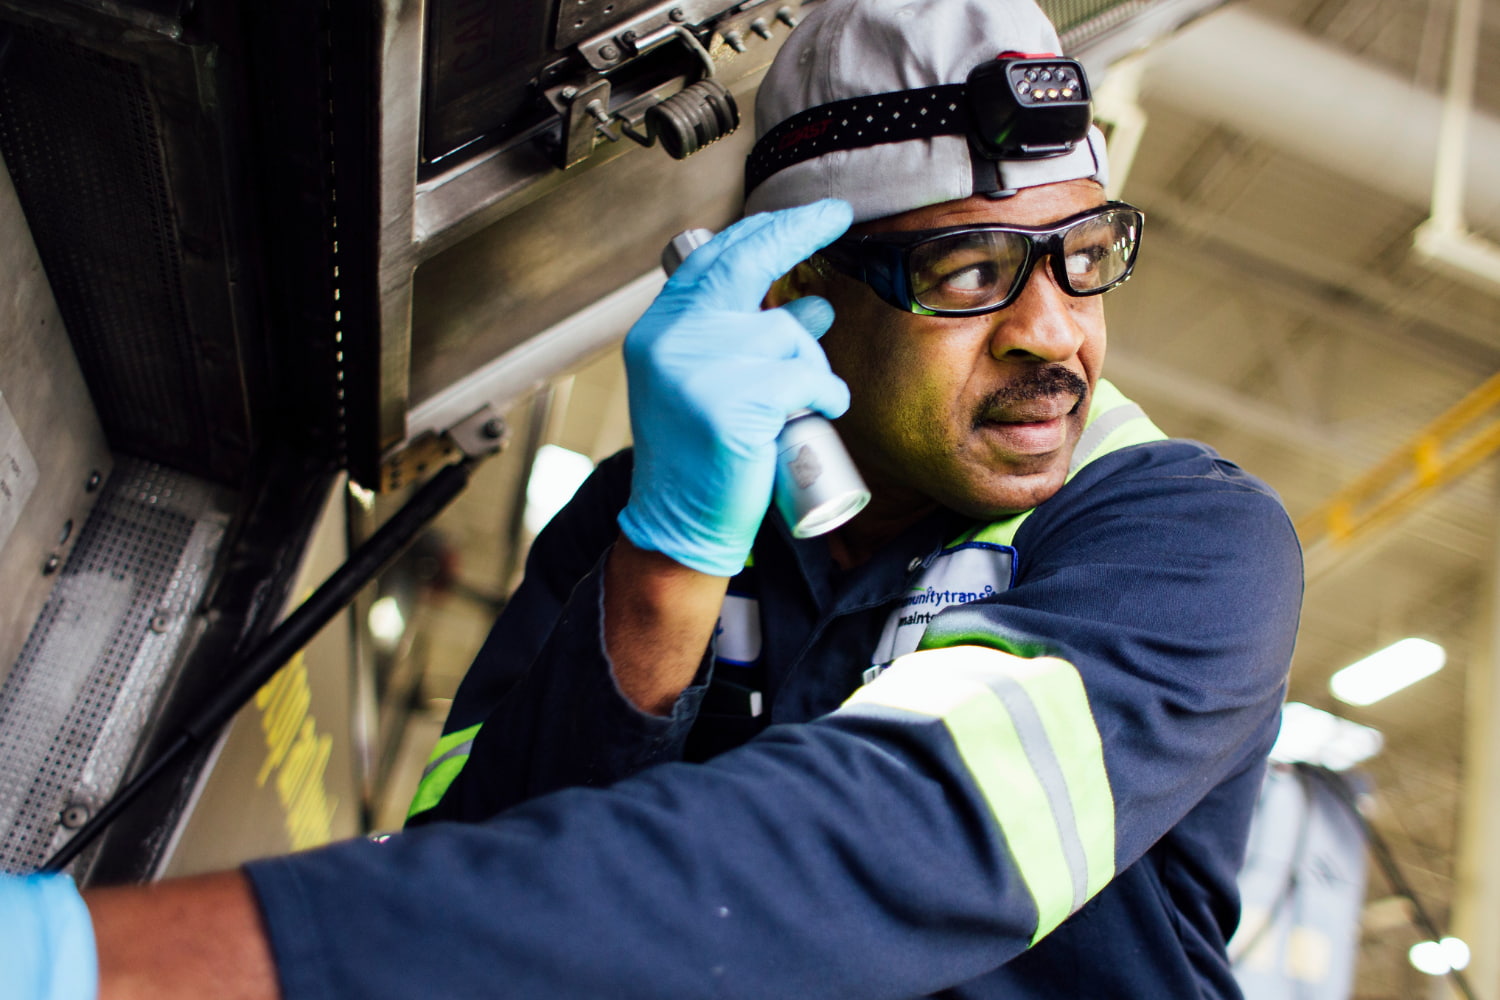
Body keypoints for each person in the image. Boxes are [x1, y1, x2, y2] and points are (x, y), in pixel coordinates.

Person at [3, 0, 1302, 996]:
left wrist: (114, 960)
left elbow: (875, 845)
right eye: (970, 271)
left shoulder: (1182, 543)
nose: (1051, 331)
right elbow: (468, 842)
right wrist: (666, 572)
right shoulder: (648, 514)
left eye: (1082, 258)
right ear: (803, 296)